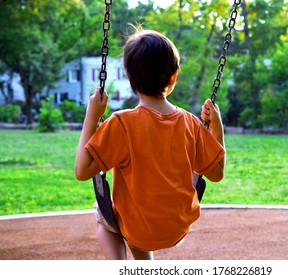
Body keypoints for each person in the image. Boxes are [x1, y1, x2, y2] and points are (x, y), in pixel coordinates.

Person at [74, 28, 226, 260]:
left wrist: (91, 116)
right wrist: (217, 127)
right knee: (138, 224)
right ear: (173, 77)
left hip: (137, 228)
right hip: (177, 227)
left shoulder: (121, 124)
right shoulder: (190, 123)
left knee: (105, 218)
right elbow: (216, 173)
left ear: (129, 77)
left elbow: (82, 171)